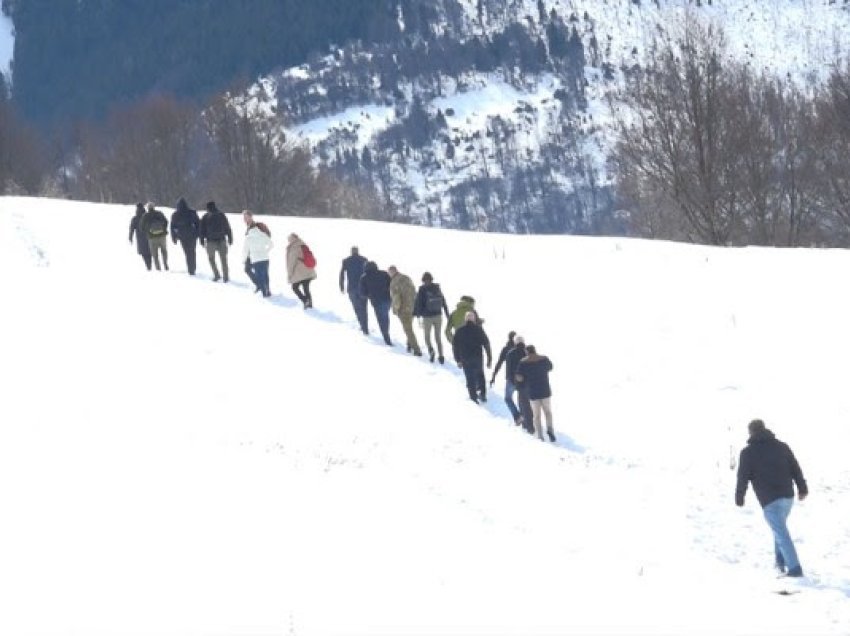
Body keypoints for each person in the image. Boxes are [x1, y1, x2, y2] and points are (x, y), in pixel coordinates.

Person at [735, 419, 808, 577]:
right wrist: (802, 488)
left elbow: (743, 476)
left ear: (751, 432)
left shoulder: (747, 453)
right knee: (779, 529)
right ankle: (780, 562)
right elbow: (795, 467)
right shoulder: (782, 446)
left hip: (770, 499)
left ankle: (795, 569)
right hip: (788, 497)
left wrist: (739, 496)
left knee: (781, 532)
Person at [515, 345, 555, 442]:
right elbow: (551, 367)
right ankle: (550, 430)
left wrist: (521, 378)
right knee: (548, 412)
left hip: (533, 392)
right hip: (545, 390)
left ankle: (540, 436)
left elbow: (519, 377)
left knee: (536, 416)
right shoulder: (544, 359)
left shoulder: (523, 362)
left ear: (527, 352)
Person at [452, 311, 492, 403]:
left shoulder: (459, 331)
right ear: (474, 319)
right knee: (480, 375)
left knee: (469, 377)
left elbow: (455, 347)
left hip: (465, 358)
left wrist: (457, 360)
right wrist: (489, 359)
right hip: (478, 358)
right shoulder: (479, 329)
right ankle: (483, 394)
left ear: (465, 319)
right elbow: (486, 344)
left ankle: (473, 396)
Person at [413, 271, 450, 364]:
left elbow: (418, 303)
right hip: (438, 316)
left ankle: (431, 350)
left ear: (423, 280)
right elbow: (443, 301)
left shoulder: (422, 289)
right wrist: (447, 314)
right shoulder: (437, 288)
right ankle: (441, 356)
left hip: (427, 317)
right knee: (438, 337)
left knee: (427, 337)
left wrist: (417, 314)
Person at [388, 266, 422, 356]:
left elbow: (396, 298)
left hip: (403, 309)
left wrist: (395, 310)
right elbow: (414, 291)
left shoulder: (394, 282)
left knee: (408, 330)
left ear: (392, 272)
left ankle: (417, 350)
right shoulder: (407, 277)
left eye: (389, 273)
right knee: (409, 327)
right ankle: (409, 345)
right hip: (413, 307)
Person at [359, 261, 392, 345]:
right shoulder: (384, 273)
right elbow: (391, 284)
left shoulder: (364, 277)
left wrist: (369, 295)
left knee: (381, 318)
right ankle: (386, 333)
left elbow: (362, 293)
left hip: (376, 301)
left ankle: (386, 336)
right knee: (385, 316)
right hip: (387, 299)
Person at [198, 201, 233, 282]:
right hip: (222, 240)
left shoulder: (205, 216)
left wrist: (202, 241)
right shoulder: (221, 215)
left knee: (211, 259)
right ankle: (226, 277)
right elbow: (227, 227)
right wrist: (230, 238)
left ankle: (216, 275)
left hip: (210, 241)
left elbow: (201, 230)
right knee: (224, 259)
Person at [242, 210, 273, 297]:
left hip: (256, 254)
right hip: (252, 253)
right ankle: (261, 286)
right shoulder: (248, 227)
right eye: (244, 218)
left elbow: (268, 237)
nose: (245, 219)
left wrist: (264, 250)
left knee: (258, 272)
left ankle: (262, 287)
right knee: (250, 270)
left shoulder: (258, 226)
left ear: (251, 217)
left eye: (246, 217)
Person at [491, 331, 521, 423]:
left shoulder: (506, 349)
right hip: (522, 378)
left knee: (508, 398)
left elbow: (499, 363)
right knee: (522, 398)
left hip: (511, 379)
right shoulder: (524, 349)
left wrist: (494, 376)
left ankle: (517, 417)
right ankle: (523, 416)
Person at [506, 336, 533, 432]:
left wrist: (509, 379)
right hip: (525, 381)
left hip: (512, 381)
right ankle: (526, 423)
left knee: (508, 398)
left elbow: (508, 369)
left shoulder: (510, 353)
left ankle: (517, 416)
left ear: (515, 343)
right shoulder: (527, 352)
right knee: (523, 401)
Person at [340, 246, 369, 334]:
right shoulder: (364, 259)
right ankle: (365, 327)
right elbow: (368, 273)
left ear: (351, 252)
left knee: (356, 307)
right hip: (363, 288)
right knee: (364, 308)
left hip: (352, 288)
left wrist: (342, 286)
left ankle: (362, 325)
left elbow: (342, 274)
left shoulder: (346, 260)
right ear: (358, 251)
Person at [286, 233, 317, 308]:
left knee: (295, 287)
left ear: (291, 239)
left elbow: (291, 263)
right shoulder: (303, 244)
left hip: (299, 272)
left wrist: (289, 274)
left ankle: (305, 301)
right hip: (308, 271)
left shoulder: (294, 248)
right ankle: (309, 304)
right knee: (306, 288)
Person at [170, 197, 200, 275]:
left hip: (182, 236)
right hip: (192, 236)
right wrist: (198, 234)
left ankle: (190, 268)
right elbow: (198, 223)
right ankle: (192, 268)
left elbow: (172, 227)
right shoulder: (192, 212)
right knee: (192, 252)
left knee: (187, 252)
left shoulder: (175, 214)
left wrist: (174, 237)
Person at [140, 201, 169, 271]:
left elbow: (141, 227)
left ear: (148, 208)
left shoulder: (145, 216)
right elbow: (166, 222)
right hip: (162, 236)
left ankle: (158, 268)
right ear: (154, 207)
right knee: (164, 251)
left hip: (152, 238)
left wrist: (148, 232)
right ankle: (165, 264)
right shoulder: (159, 213)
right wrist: (163, 229)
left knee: (155, 254)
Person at [128, 202, 152, 270]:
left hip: (140, 238)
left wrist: (130, 237)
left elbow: (131, 229)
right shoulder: (147, 216)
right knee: (149, 252)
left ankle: (148, 266)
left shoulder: (135, 218)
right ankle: (150, 265)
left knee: (144, 253)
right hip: (149, 236)